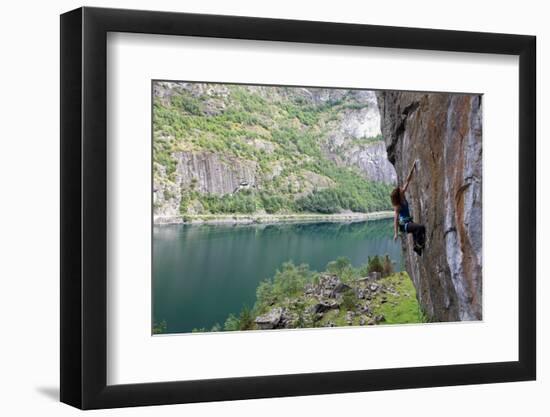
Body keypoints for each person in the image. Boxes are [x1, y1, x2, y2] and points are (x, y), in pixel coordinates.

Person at [390, 161, 426, 256]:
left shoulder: (402, 195)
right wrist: (396, 233)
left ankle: (416, 248)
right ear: (399, 194)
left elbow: (407, 181)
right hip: (404, 225)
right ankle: (417, 245)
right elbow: (395, 220)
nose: (402, 188)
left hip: (409, 222)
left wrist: (412, 168)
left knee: (416, 230)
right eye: (401, 189)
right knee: (420, 228)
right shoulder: (398, 206)